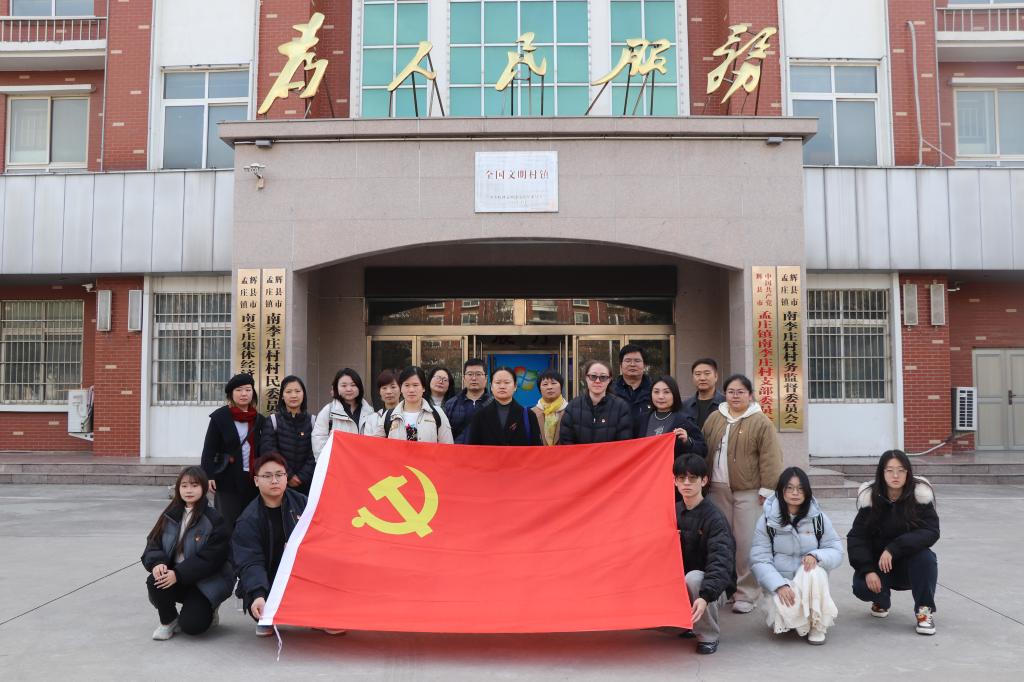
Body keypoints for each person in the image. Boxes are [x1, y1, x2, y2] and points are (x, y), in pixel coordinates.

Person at [702, 373, 783, 614]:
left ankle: (747, 593)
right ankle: (725, 589)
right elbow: (703, 447)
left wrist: (768, 488)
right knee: (720, 542)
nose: (735, 396)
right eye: (731, 391)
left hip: (748, 492)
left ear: (750, 395)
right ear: (724, 394)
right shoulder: (715, 418)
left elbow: (771, 457)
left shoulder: (760, 421)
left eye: (740, 392)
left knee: (746, 544)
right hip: (717, 490)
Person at [847, 450, 940, 635]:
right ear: (882, 473)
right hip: (879, 567)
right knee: (861, 587)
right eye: (889, 470)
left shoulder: (919, 498)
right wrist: (868, 570)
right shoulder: (871, 500)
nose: (895, 475)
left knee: (926, 558)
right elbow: (857, 538)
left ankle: (924, 611)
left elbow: (931, 531)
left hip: (908, 567)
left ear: (908, 472)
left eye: (901, 470)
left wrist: (894, 548)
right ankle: (881, 600)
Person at [750, 467, 844, 645]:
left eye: (800, 488)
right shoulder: (767, 520)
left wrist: (816, 556)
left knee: (813, 570)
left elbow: (836, 550)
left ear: (807, 492)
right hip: (782, 585)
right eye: (790, 488)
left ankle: (816, 625)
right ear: (781, 490)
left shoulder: (818, 519)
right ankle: (794, 615)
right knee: (788, 622)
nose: (795, 493)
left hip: (809, 585)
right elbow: (759, 559)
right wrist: (779, 585)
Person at [142, 466, 234, 640]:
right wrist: (158, 563)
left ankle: (210, 608)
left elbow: (212, 558)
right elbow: (153, 543)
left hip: (206, 580)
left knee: (192, 626)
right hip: (177, 576)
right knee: (155, 580)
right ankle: (168, 621)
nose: (189, 490)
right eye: (184, 486)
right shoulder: (169, 515)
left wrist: (178, 574)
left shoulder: (214, 518)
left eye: (194, 485)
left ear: (204, 488)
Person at [231, 453, 309, 637]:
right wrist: (258, 594)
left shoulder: (303, 503)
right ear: (256, 481)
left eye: (279, 475)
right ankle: (267, 611)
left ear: (286, 477)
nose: (274, 480)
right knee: (261, 606)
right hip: (267, 579)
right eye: (267, 476)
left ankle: (318, 616)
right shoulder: (248, 520)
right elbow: (250, 562)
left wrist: (298, 550)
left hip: (301, 574)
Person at [674, 454, 736, 655]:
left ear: (704, 481)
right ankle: (686, 623)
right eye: (681, 478)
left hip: (713, 586)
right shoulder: (672, 512)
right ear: (674, 481)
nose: (686, 483)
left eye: (692, 478)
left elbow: (720, 562)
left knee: (694, 578)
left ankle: (708, 635)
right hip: (681, 583)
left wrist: (706, 595)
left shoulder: (715, 518)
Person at [200, 373, 265, 529]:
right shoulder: (220, 417)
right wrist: (209, 476)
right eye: (239, 390)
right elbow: (209, 449)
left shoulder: (259, 419)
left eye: (248, 390)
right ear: (231, 394)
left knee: (251, 524)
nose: (244, 394)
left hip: (253, 480)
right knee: (227, 524)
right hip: (227, 479)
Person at [259, 375, 316, 496]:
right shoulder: (272, 421)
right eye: (288, 392)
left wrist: (302, 476)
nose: (293, 395)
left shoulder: (313, 422)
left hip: (308, 485)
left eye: (297, 391)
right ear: (282, 396)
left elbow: (316, 453)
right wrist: (288, 475)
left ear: (303, 394)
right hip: (279, 483)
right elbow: (269, 451)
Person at [559, 359, 633, 445]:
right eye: (593, 376)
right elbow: (566, 441)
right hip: (580, 454)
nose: (597, 381)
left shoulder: (621, 407)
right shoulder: (572, 407)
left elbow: (624, 443)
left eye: (603, 377)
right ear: (586, 378)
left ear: (609, 380)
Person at [376, 366, 454, 443]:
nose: (411, 390)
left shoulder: (437, 413)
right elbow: (376, 445)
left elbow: (448, 446)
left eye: (415, 385)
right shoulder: (389, 416)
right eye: (407, 385)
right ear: (401, 388)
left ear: (423, 388)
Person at [468, 367, 542, 446]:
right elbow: (473, 449)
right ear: (491, 386)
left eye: (507, 382)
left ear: (515, 386)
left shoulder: (529, 416)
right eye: (498, 382)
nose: (502, 386)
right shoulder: (479, 416)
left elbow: (537, 449)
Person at [312, 368, 374, 457]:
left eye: (353, 385)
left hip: (362, 462)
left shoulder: (370, 412)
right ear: (336, 388)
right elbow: (318, 440)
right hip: (337, 462)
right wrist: (324, 462)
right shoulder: (328, 411)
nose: (349, 389)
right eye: (344, 385)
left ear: (359, 387)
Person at [645, 375, 707, 458]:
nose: (660, 396)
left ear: (674, 394)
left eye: (666, 392)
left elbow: (703, 450)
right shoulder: (642, 419)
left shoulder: (685, 421)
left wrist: (688, 441)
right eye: (656, 392)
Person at [610, 343, 654, 438]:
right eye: (628, 361)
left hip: (648, 443)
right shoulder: (609, 391)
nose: (632, 364)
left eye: (637, 361)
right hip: (618, 443)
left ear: (644, 365)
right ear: (621, 365)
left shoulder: (655, 391)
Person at [443, 358, 491, 444]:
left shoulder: (494, 403)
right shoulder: (451, 404)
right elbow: (444, 435)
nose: (474, 378)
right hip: (458, 451)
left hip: (487, 451)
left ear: (486, 378)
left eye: (478, 374)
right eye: (470, 374)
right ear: (464, 378)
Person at [681, 358, 726, 430]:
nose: (702, 378)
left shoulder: (726, 404)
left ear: (716, 376)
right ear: (693, 378)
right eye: (698, 374)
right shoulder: (685, 406)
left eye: (707, 373)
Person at [531, 369, 567, 446]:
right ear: (540, 389)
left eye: (553, 383)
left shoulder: (570, 411)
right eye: (545, 384)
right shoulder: (531, 413)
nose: (549, 387)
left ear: (561, 386)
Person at [365, 369, 401, 436]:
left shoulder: (407, 415)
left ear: (401, 389)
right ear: (379, 392)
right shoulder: (372, 419)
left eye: (393, 387)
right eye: (384, 388)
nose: (388, 392)